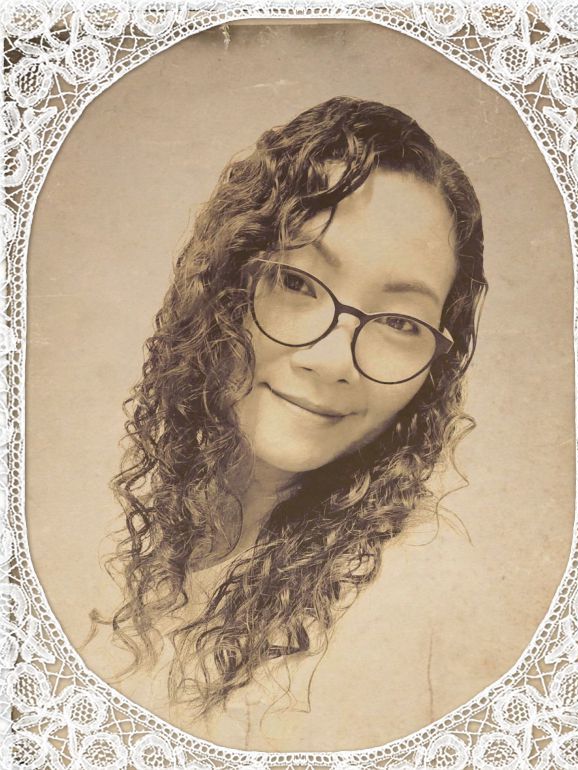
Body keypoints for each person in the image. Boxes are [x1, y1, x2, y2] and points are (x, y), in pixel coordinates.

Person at [91, 96, 486, 735]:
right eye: (297, 283)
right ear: (223, 283)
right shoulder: (130, 527)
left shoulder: (412, 610)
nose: (332, 361)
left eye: (399, 322)